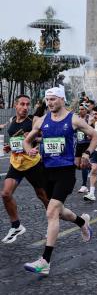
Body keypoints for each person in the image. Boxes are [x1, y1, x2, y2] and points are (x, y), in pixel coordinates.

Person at [22, 86, 97, 275]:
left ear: (62, 99)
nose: (49, 103)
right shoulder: (42, 120)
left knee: (52, 212)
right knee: (58, 211)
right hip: (46, 170)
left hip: (65, 171)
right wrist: (29, 148)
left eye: (53, 99)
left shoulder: (73, 119)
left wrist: (87, 153)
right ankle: (82, 222)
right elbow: (27, 140)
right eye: (47, 100)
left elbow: (96, 136)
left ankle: (45, 261)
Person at [1, 95, 49, 244]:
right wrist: (11, 147)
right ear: (15, 105)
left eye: (28, 104)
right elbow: (17, 141)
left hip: (32, 163)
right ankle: (16, 226)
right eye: (22, 104)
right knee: (5, 194)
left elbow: (46, 136)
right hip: (16, 163)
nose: (25, 107)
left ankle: (53, 221)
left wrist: (34, 138)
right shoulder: (12, 122)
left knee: (43, 196)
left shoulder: (33, 120)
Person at [75, 103, 93, 193]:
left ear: (86, 110)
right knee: (77, 165)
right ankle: (91, 167)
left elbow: (87, 127)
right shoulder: (76, 117)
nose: (80, 111)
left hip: (87, 143)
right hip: (79, 143)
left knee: (82, 165)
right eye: (79, 109)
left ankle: (84, 185)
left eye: (82, 109)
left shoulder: (89, 118)